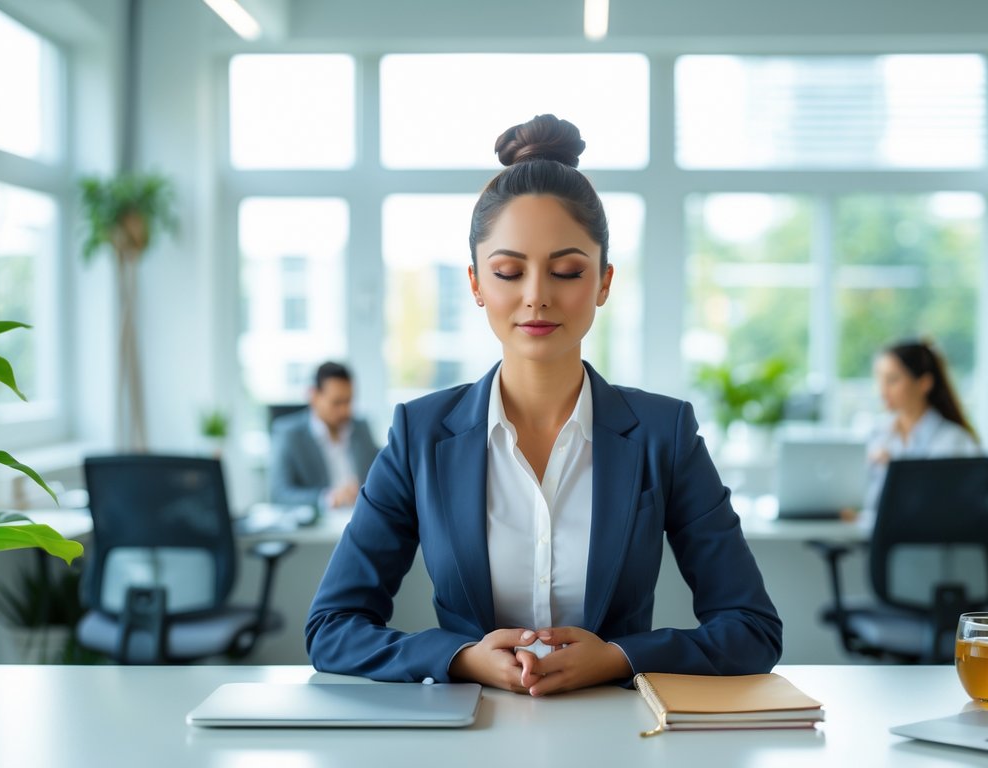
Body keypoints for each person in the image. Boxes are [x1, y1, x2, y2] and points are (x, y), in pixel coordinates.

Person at [306, 115, 782, 697]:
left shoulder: (664, 433)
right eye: (509, 271)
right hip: (467, 736)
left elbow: (752, 629)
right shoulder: (420, 434)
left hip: (619, 736)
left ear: (604, 282)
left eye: (567, 271)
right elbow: (332, 628)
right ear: (477, 284)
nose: (536, 296)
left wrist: (617, 657)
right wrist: (461, 658)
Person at [864, 339, 980, 510]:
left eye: (893, 380)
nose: (883, 391)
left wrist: (899, 474)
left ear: (924, 383)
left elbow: (956, 506)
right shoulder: (877, 436)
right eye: (880, 380)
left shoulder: (955, 442)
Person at [268, 362, 379, 511]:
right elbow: (279, 494)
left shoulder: (361, 427)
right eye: (337, 403)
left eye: (349, 401)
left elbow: (377, 476)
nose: (345, 411)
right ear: (313, 396)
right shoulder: (288, 434)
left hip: (362, 516)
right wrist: (328, 498)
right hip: (320, 528)